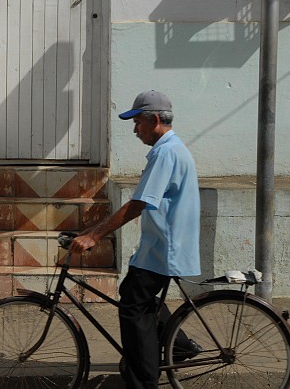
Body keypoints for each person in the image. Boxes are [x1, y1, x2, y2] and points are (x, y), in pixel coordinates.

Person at [69, 90, 202, 389]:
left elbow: (137, 204)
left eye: (138, 122)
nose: (134, 129)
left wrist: (93, 235)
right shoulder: (170, 149)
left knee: (133, 306)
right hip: (163, 243)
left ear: (154, 120)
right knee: (135, 293)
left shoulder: (166, 152)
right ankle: (177, 345)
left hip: (165, 246)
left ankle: (143, 382)